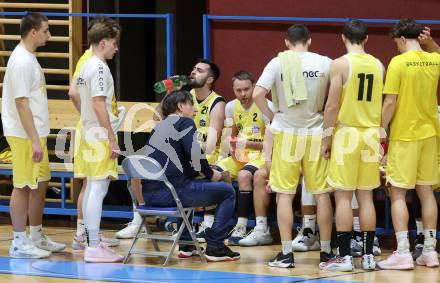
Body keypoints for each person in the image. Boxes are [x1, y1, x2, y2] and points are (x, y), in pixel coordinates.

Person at [117, 59, 226, 240]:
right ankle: (139, 222)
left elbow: (211, 145)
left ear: (210, 79)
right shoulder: (183, 95)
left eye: (199, 70)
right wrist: (170, 93)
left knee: (214, 178)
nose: (193, 72)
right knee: (138, 173)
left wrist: (190, 149)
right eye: (193, 69)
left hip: (204, 156)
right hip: (182, 157)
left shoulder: (217, 102)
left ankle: (204, 226)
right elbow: (157, 118)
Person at [253, 24, 332, 268]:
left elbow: (257, 94)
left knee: (284, 196)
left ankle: (286, 254)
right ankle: (327, 254)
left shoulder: (277, 62)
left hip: (286, 132)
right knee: (322, 194)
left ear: (286, 41)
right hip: (317, 132)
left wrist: (272, 116)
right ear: (310, 40)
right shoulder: (325, 62)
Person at [141, 90, 240, 261]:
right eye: (191, 104)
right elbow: (194, 154)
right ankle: (215, 246)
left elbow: (175, 162)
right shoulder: (184, 122)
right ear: (180, 106)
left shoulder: (158, 127)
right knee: (227, 192)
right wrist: (210, 174)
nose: (195, 110)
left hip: (150, 196)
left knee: (189, 181)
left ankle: (187, 243)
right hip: (172, 194)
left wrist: (201, 170)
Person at [320, 19, 384, 271]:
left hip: (347, 133)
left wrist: (326, 137)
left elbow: (332, 105)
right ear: (366, 39)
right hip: (370, 134)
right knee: (366, 196)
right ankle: (368, 256)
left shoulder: (340, 64)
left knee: (344, 197)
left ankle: (345, 257)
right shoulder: (379, 64)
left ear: (343, 37)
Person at [2, 12, 66, 258]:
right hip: (23, 135)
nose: (49, 35)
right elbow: (21, 104)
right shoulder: (21, 61)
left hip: (34, 133)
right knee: (23, 185)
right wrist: (34, 140)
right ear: (33, 32)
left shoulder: (30, 59)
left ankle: (36, 235)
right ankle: (18, 242)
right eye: (46, 30)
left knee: (40, 183)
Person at [378, 18, 440, 270]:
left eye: (396, 43)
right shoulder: (434, 59)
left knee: (398, 193)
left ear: (402, 39)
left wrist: (381, 130)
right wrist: (432, 43)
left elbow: (390, 101)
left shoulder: (398, 62)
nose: (396, 47)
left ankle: (403, 251)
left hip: (405, 135)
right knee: (426, 192)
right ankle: (429, 251)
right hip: (430, 135)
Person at [68, 18, 121, 250]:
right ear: (103, 43)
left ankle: (91, 240)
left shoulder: (86, 64)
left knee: (91, 187)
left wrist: (87, 118)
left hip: (87, 130)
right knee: (97, 189)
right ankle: (92, 243)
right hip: (98, 135)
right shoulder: (99, 67)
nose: (116, 48)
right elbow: (99, 104)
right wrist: (110, 137)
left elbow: (77, 95)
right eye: (114, 43)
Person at [215, 71, 273, 245]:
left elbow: (272, 144)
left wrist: (246, 144)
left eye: (246, 89)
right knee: (211, 171)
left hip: (261, 155)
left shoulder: (265, 106)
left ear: (254, 87)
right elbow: (230, 136)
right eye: (238, 90)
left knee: (244, 175)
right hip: (240, 155)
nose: (243, 94)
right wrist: (233, 148)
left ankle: (241, 226)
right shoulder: (231, 107)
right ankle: (211, 223)